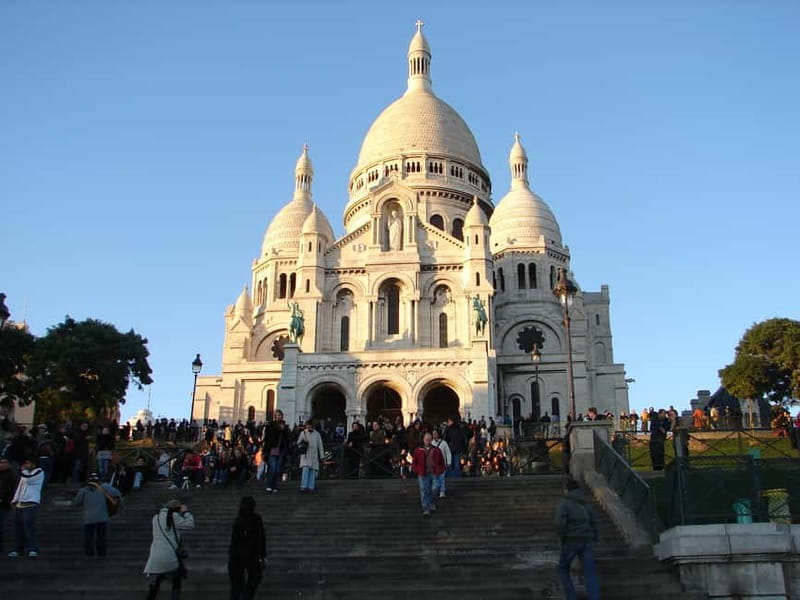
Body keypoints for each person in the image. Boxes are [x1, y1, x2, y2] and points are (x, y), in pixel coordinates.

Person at [554, 479, 599, 600]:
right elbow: (594, 522)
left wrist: (562, 537)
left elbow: (560, 523)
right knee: (590, 573)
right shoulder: (586, 503)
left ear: (566, 489)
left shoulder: (564, 503)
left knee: (563, 568)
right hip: (587, 540)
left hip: (571, 540)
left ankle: (572, 597)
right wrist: (594, 537)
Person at [144, 499, 196, 600]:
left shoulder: (156, 518)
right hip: (169, 556)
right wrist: (186, 512)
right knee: (176, 581)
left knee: (155, 584)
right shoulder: (174, 517)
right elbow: (190, 524)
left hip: (155, 556)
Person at [72, 471, 122, 557]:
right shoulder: (104, 487)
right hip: (102, 516)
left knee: (89, 537)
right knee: (101, 537)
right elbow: (117, 493)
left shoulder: (83, 490)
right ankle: (101, 553)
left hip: (89, 517)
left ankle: (89, 553)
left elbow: (76, 502)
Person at [228, 496, 266, 600]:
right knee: (254, 579)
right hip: (251, 554)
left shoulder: (237, 520)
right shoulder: (256, 519)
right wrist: (262, 556)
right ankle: (247, 596)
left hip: (236, 555)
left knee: (236, 585)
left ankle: (241, 596)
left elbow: (234, 540)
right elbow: (261, 539)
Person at [8, 457, 44, 557]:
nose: (26, 465)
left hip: (30, 503)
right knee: (18, 528)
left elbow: (29, 480)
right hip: (20, 503)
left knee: (29, 527)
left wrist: (24, 471)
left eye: (28, 463)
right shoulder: (24, 474)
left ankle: (32, 548)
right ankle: (18, 549)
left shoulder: (39, 472)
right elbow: (20, 486)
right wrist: (14, 499)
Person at [411, 432, 446, 517]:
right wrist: (417, 470)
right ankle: (426, 508)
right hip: (423, 473)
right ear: (423, 440)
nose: (428, 442)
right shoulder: (418, 450)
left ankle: (431, 503)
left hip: (434, 472)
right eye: (426, 440)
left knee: (435, 488)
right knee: (424, 490)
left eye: (430, 440)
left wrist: (440, 470)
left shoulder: (437, 450)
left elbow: (441, 462)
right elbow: (414, 462)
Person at [263, 410, 289, 493]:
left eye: (279, 415)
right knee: (273, 468)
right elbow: (268, 438)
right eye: (276, 415)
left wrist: (283, 430)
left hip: (281, 450)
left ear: (282, 416)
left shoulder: (285, 426)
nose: (278, 417)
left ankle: (274, 486)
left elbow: (287, 438)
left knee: (277, 469)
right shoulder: (271, 425)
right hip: (272, 449)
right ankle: (269, 485)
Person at [298, 420, 324, 492]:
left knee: (312, 471)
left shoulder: (317, 434)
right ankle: (304, 485)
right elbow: (298, 443)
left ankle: (311, 486)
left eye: (309, 425)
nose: (308, 426)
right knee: (305, 470)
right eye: (307, 425)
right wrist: (303, 443)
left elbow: (320, 445)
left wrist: (322, 455)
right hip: (306, 454)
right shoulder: (303, 433)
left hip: (314, 455)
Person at [0, 457, 18, 553]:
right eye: (1, 463)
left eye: (4, 463)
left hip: (4, 502)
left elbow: (10, 489)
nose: (2, 464)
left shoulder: (11, 475)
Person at [430, 429, 451, 499]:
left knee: (442, 478)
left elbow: (447, 452)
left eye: (435, 434)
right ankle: (436, 490)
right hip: (433, 465)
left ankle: (442, 491)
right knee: (435, 478)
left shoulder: (443, 443)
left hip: (442, 464)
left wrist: (449, 462)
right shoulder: (431, 443)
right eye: (433, 434)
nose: (434, 436)